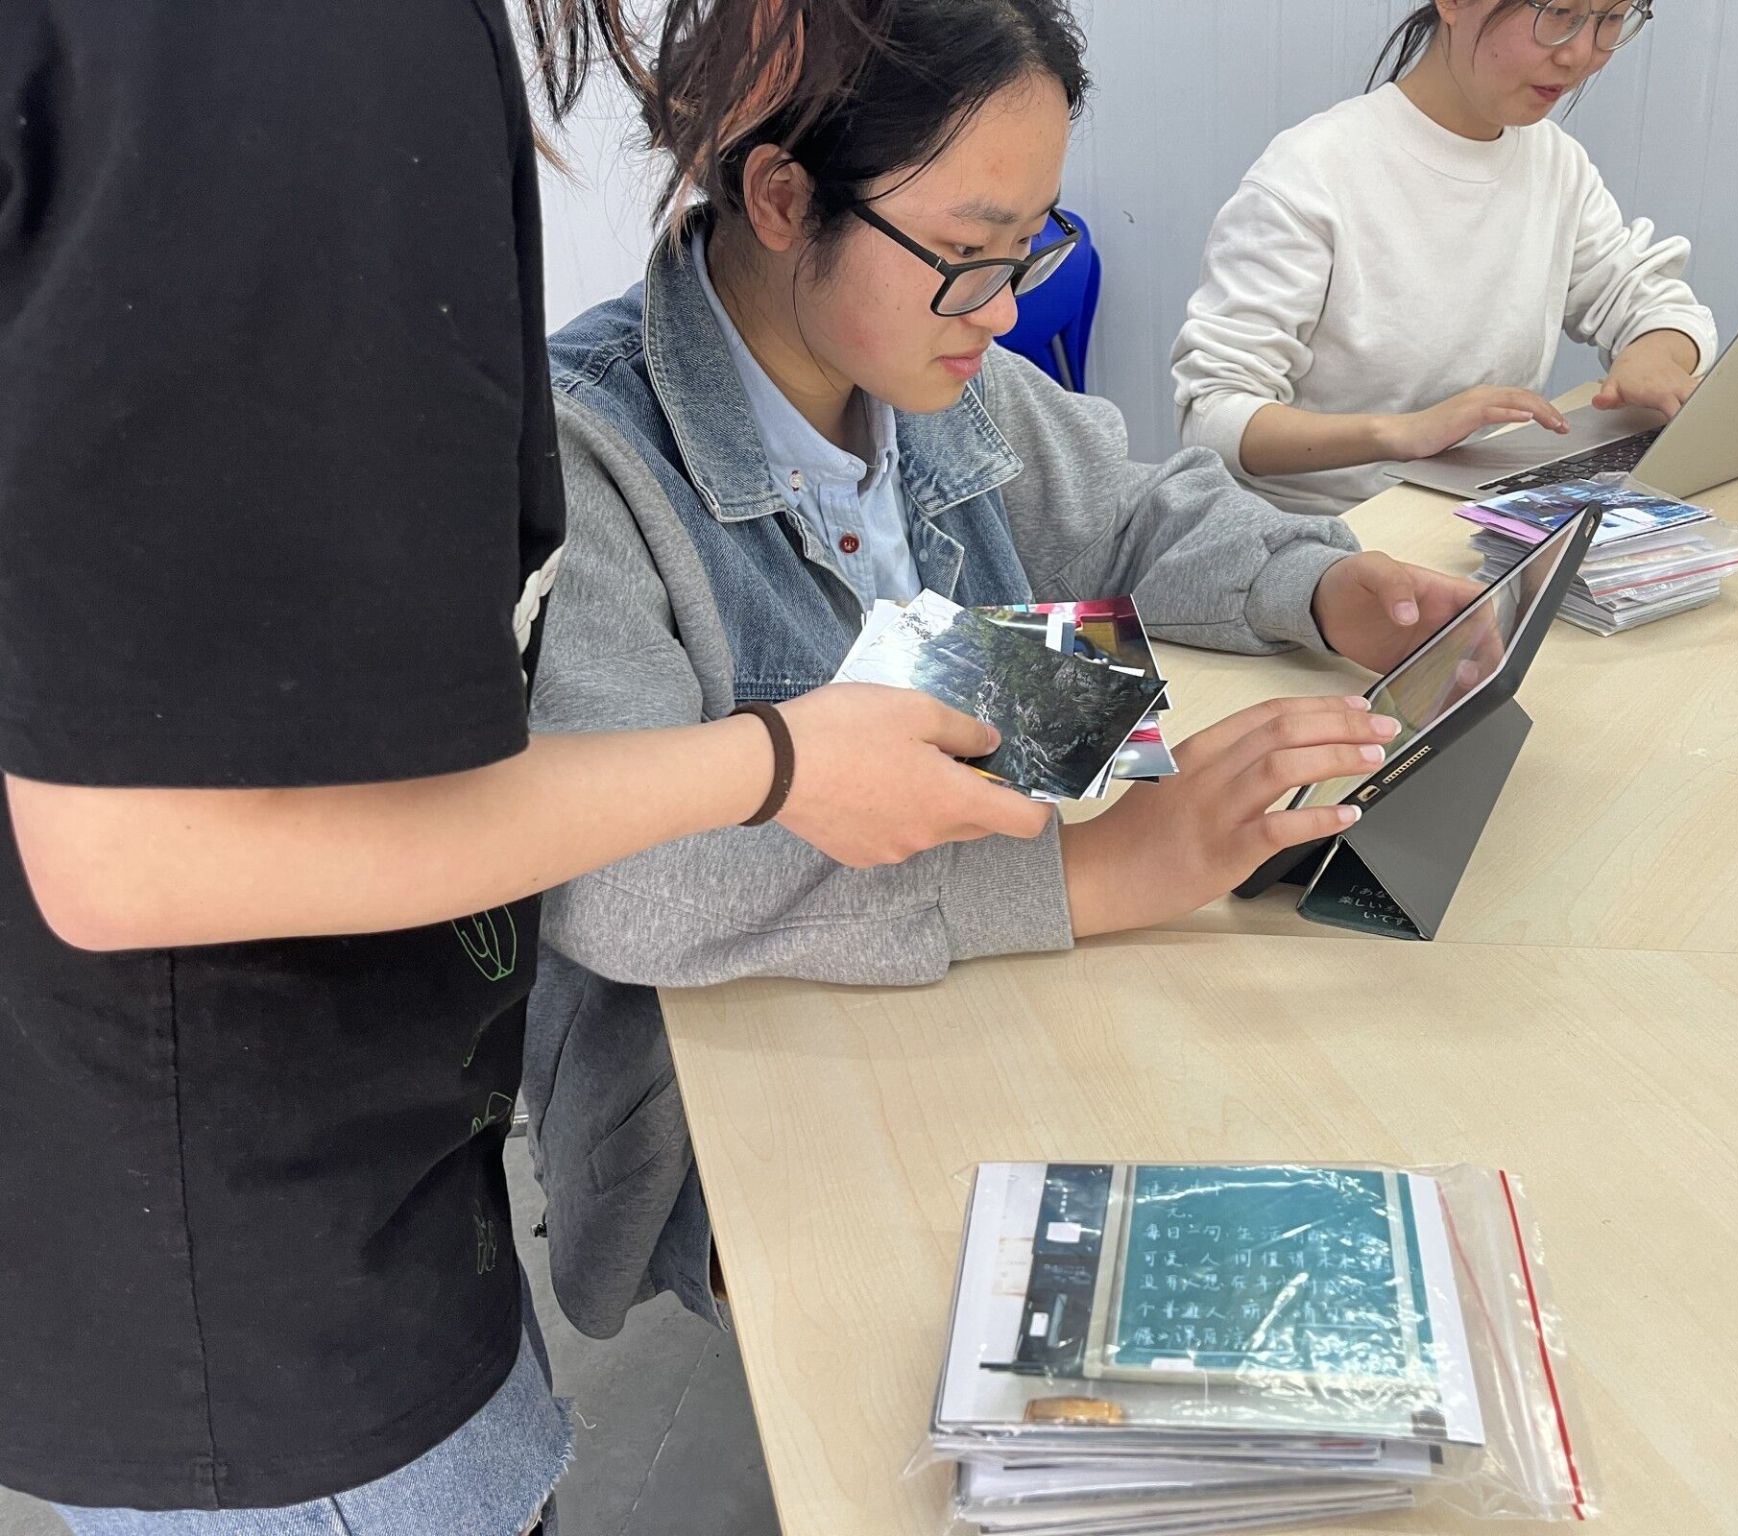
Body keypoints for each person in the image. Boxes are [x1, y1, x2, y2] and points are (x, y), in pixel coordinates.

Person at [0, 2, 1051, 1531]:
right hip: (253, 1267)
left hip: (343, 1182)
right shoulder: (289, 57)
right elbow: (143, 856)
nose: (998, 307)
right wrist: (774, 765)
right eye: (968, 246)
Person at [516, 0, 1485, 1345]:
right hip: (731, 1107)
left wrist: (1319, 585)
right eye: (970, 255)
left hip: (977, 978)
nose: (1009, 306)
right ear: (783, 198)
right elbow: (616, 884)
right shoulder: (586, 454)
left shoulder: (931, 367)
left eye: (1028, 249)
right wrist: (1091, 875)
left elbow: (1134, 512)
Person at [1171, 0, 1719, 516]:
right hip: (1322, 538)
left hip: (1475, 518)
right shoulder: (1312, 173)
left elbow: (1653, 304)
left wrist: (1653, 355)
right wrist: (1402, 433)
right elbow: (1214, 415)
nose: (1580, 55)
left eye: (1612, 18)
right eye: (1559, 13)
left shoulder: (1555, 163)